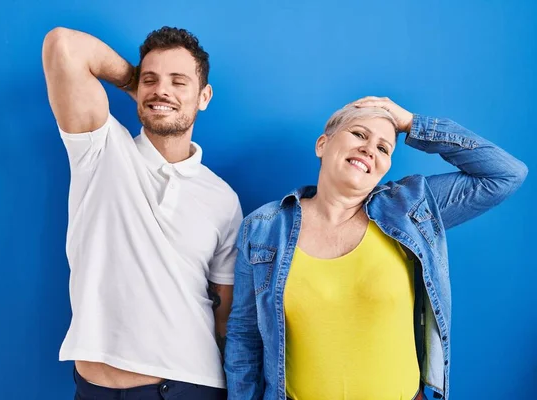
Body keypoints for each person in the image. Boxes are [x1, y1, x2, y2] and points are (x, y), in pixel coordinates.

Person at [223, 96, 527, 400]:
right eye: (358, 134)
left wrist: (412, 124)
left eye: (383, 148)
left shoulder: (409, 208)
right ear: (322, 145)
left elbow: (505, 174)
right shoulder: (263, 227)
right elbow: (244, 338)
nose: (369, 149)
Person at [42, 26, 242, 400]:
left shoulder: (223, 199)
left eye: (178, 81)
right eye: (151, 79)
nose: (161, 90)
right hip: (94, 389)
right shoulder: (99, 149)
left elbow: (224, 313)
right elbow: (63, 46)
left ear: (204, 96)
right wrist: (132, 81)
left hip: (187, 385)